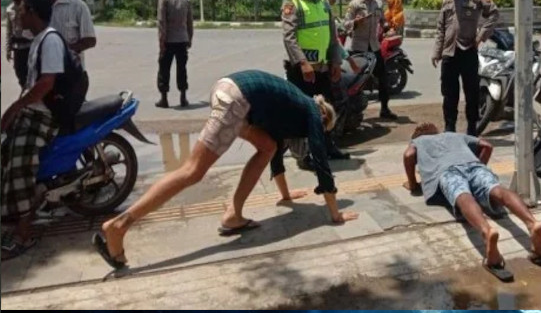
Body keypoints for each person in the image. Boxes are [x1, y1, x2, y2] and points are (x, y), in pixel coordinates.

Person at [93, 69, 359, 269]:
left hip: (229, 89)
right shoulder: (313, 114)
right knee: (192, 170)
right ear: (324, 119)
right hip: (236, 100)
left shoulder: (296, 107)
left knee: (266, 146)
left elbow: (276, 149)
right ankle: (119, 226)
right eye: (324, 131)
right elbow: (321, 161)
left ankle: (234, 215)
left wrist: (287, 196)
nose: (319, 134)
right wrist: (335, 214)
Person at [402, 122, 541, 281]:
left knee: (462, 194)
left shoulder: (418, 141)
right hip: (475, 166)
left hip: (447, 172)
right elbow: (487, 146)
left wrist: (413, 184)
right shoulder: (453, 135)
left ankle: (486, 231)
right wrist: (479, 168)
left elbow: (408, 155)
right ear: (437, 132)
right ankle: (532, 223)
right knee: (497, 189)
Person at [1, 0, 68, 260]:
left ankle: (23, 235)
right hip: (30, 113)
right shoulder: (37, 39)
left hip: (43, 117)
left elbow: (45, 84)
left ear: (33, 12)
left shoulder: (49, 40)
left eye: (22, 8)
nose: (18, 12)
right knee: (5, 158)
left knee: (20, 169)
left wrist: (15, 108)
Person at [282, 0, 348, 162]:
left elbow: (332, 35)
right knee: (302, 112)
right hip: (302, 71)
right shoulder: (293, 3)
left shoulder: (323, 3)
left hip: (322, 68)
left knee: (326, 110)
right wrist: (302, 63)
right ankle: (303, 154)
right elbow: (289, 37)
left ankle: (328, 147)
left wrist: (335, 62)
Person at [431, 0, 499, 135]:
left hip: (468, 50)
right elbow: (441, 27)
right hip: (449, 53)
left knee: (471, 93)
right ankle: (450, 128)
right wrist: (436, 51)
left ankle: (471, 128)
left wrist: (481, 36)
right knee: (449, 94)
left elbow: (493, 13)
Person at [344, 0, 397, 120]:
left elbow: (382, 20)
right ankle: (351, 111)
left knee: (383, 78)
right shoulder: (354, 4)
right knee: (355, 81)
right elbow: (346, 24)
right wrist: (356, 23)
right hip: (358, 47)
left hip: (374, 46)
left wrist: (387, 27)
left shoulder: (378, 3)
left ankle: (385, 109)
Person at [29, 0, 96, 67]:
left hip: (70, 72)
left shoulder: (78, 6)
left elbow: (90, 40)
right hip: (43, 69)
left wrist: (63, 50)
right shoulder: (34, 7)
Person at [155, 0, 194, 108]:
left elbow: (162, 22)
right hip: (182, 39)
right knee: (182, 68)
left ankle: (164, 99)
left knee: (164, 69)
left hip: (168, 40)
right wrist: (190, 38)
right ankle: (183, 97)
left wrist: (161, 43)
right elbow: (190, 22)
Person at [5, 0, 33, 89]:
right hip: (17, 47)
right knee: (18, 71)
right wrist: (8, 49)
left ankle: (30, 93)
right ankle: (24, 89)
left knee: (31, 71)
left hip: (30, 45)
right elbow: (9, 30)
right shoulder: (9, 9)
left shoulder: (29, 7)